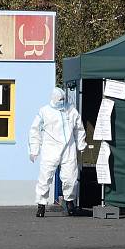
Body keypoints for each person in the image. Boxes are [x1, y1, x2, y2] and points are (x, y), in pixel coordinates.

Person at [28, 87, 87, 217]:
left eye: (63, 99)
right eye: (59, 99)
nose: (61, 101)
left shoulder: (71, 111)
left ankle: (70, 202)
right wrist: (34, 149)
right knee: (45, 177)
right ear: (53, 99)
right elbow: (34, 131)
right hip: (50, 148)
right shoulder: (44, 111)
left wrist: (81, 145)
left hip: (68, 148)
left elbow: (79, 128)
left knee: (70, 177)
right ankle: (41, 205)